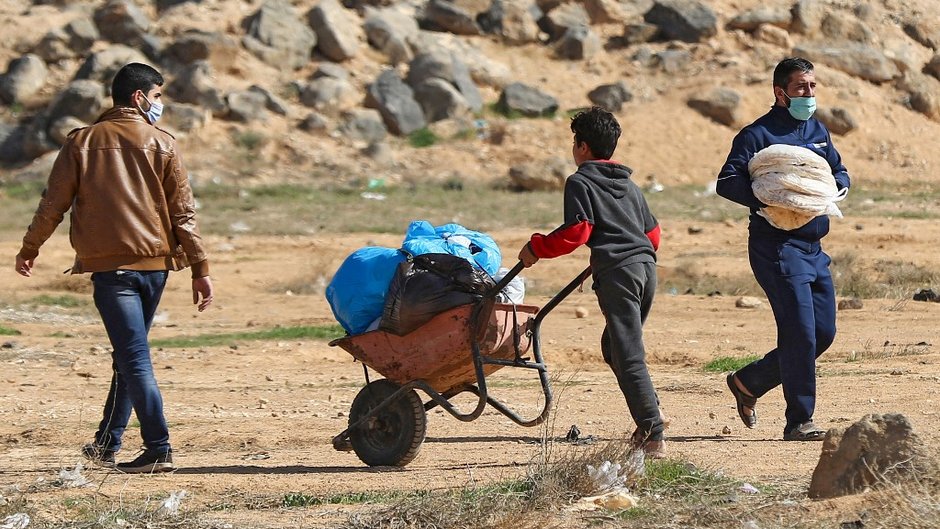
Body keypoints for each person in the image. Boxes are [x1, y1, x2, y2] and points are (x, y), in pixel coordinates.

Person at [14, 63, 214, 472]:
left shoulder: (81, 143)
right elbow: (184, 215)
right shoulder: (164, 143)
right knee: (128, 354)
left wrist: (30, 247)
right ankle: (107, 443)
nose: (161, 105)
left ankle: (159, 448)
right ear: (139, 97)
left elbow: (53, 204)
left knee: (133, 356)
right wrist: (199, 266)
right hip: (156, 268)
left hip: (114, 270)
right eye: (157, 96)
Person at [518, 106, 665, 457]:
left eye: (574, 142)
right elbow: (653, 234)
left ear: (582, 147)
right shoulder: (629, 185)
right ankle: (653, 413)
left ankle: (653, 430)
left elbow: (577, 231)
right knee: (615, 347)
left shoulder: (580, 181)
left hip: (621, 273)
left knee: (628, 354)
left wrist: (535, 247)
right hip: (646, 268)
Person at [716, 57, 850, 441]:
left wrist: (834, 187)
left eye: (812, 86)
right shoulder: (756, 135)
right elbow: (727, 181)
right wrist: (769, 200)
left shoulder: (818, 129)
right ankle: (799, 421)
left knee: (822, 333)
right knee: (800, 334)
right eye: (800, 88)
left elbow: (838, 172)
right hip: (776, 246)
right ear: (780, 92)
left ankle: (749, 382)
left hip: (812, 246)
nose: (809, 94)